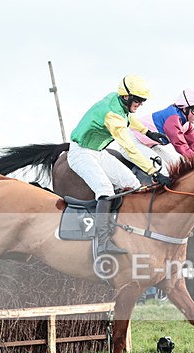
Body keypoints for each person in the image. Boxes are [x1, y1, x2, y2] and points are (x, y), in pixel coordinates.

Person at [68, 75, 172, 274]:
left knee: (133, 185)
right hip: (80, 153)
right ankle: (102, 243)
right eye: (138, 100)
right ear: (126, 97)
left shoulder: (117, 100)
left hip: (98, 152)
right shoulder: (112, 116)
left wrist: (148, 133)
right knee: (105, 189)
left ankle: (125, 230)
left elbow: (129, 117)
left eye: (143, 100)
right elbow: (130, 149)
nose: (141, 104)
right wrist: (154, 172)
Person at [135, 88, 194, 166]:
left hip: (149, 144)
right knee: (165, 170)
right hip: (134, 141)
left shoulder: (186, 124)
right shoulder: (173, 119)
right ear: (185, 109)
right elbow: (181, 146)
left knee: (175, 166)